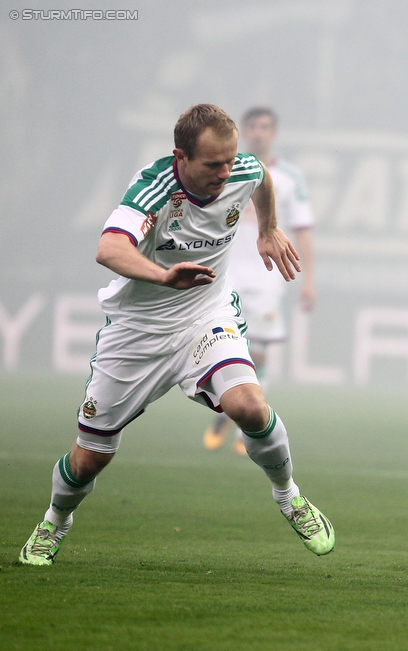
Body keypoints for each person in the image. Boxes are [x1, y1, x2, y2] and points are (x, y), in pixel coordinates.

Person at [18, 104, 334, 566]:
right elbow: (109, 248)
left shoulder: (241, 169)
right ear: (180, 157)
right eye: (213, 164)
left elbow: (261, 176)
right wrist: (162, 277)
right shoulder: (155, 188)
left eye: (230, 160)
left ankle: (290, 497)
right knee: (90, 458)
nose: (225, 173)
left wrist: (268, 228)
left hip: (204, 317)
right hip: (137, 334)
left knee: (248, 405)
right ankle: (54, 522)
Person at [203, 106, 316, 456]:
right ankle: (233, 413)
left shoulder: (289, 178)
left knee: (260, 356)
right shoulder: (225, 170)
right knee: (225, 353)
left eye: (265, 127)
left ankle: (242, 432)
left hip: (268, 279)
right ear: (243, 131)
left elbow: (303, 231)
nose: (258, 133)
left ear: (274, 133)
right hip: (227, 276)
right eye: (252, 127)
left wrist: (308, 280)